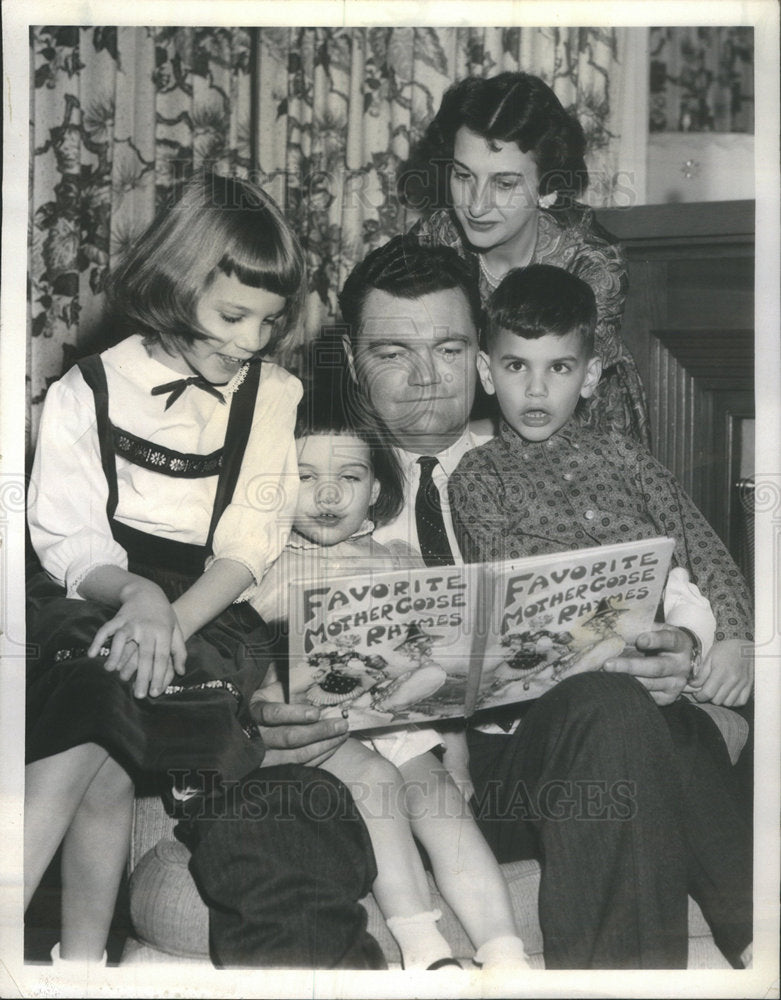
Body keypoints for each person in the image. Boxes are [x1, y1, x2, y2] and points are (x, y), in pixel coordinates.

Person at [336, 234, 752, 969]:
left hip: (576, 740)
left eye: (448, 349)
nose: (426, 378)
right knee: (617, 710)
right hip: (433, 782)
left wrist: (685, 648)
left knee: (627, 709)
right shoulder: (320, 484)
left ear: (477, 354)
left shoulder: (568, 464)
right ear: (350, 359)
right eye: (394, 352)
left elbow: (679, 556)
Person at [25, 171, 383, 970]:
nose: (252, 340)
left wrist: (170, 620)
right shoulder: (87, 388)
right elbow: (68, 534)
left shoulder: (274, 394)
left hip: (208, 607)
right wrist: (138, 599)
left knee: (106, 729)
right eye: (231, 316)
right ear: (176, 286)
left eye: (270, 320)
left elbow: (249, 543)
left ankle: (77, 966)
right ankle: (77, 965)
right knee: (93, 707)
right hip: (95, 588)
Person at [447, 263, 754, 968]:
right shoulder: (478, 479)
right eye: (516, 367)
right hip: (535, 734)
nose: (535, 389)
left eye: (558, 368)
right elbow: (519, 615)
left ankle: (753, 939)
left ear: (589, 378)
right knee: (631, 711)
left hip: (646, 694)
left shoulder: (625, 458)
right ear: (487, 372)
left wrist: (732, 636)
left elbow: (700, 547)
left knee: (677, 732)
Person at [251, 381, 530, 971]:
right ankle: (425, 950)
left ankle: (505, 951)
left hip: (396, 718)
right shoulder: (261, 568)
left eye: (349, 477)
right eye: (305, 476)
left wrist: (458, 756)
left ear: (375, 489)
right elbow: (246, 672)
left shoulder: (399, 561)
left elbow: (440, 672)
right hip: (319, 730)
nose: (329, 494)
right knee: (377, 782)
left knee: (441, 802)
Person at [397, 71, 649, 445]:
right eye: (463, 176)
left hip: (579, 432)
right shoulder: (430, 244)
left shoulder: (594, 264)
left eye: (504, 184)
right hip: (457, 424)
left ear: (547, 188)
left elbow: (557, 402)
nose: (476, 205)